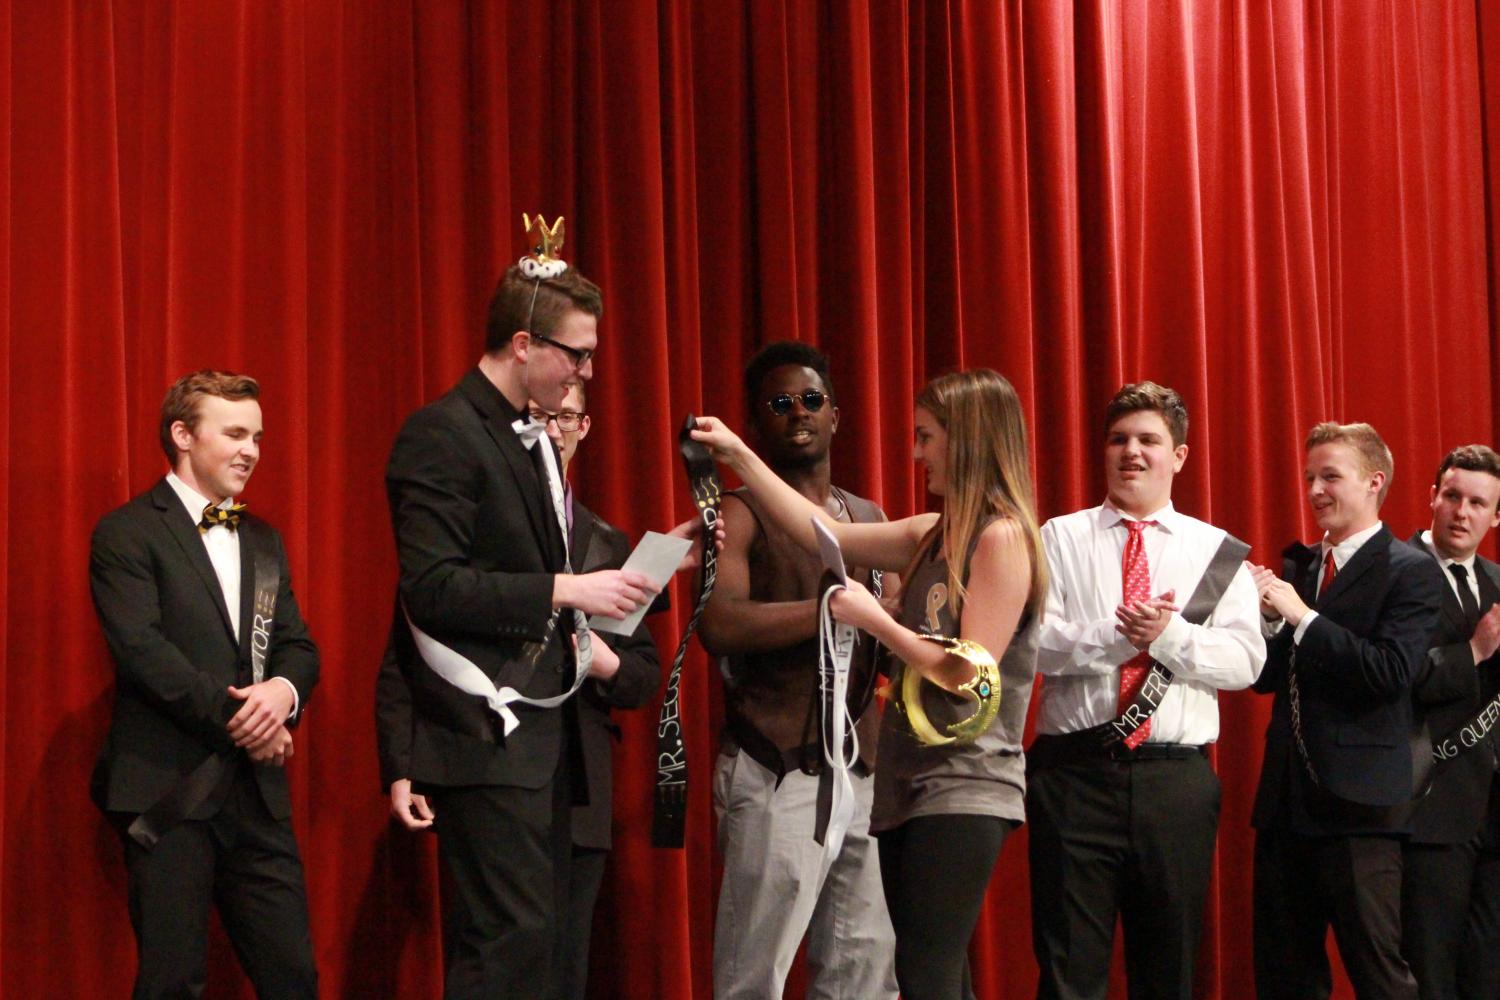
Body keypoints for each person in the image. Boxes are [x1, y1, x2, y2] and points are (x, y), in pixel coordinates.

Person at [692, 367, 1045, 1000]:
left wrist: (876, 621)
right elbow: (818, 531)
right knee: (929, 974)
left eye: (927, 437)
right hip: (909, 781)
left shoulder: (1001, 538)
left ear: (965, 439)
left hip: (965, 784)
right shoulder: (928, 533)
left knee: (925, 973)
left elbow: (971, 677)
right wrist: (739, 455)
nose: (916, 453)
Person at [384, 233, 661, 997]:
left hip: (542, 744)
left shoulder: (528, 439)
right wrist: (570, 591)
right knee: (502, 949)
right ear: (521, 344)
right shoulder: (441, 433)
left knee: (539, 952)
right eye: (575, 354)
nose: (585, 373)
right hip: (484, 732)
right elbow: (433, 586)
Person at [1028, 381, 1266, 1000]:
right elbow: (1031, 644)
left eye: (1148, 441)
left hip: (1175, 783)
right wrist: (1116, 637)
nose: (1132, 452)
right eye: (1118, 440)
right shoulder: (1057, 537)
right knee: (1067, 971)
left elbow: (1245, 662)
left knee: (1169, 969)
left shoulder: (1217, 552)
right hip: (1072, 777)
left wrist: (1170, 638)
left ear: (1179, 456)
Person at [89, 370, 320, 998]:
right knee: (172, 982)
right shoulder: (127, 532)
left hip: (257, 797)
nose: (252, 450)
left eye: (258, 436)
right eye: (237, 433)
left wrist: (282, 697)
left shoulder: (264, 538)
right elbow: (144, 656)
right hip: (169, 790)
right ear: (183, 435)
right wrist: (249, 724)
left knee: (294, 979)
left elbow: (296, 646)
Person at [697, 341, 897, 1000]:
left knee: (865, 970)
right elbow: (721, 624)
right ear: (755, 427)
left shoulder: (868, 518)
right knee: (757, 974)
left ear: (836, 415)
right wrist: (834, 611)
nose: (799, 414)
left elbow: (893, 627)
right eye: (779, 405)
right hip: (774, 764)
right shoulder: (737, 512)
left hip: (863, 768)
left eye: (811, 401)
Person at [1249, 421, 1446, 1000]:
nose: (1314, 489)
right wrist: (1267, 620)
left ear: (1373, 482)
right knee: (1284, 975)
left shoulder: (1409, 570)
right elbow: (1265, 679)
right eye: (1310, 477)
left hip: (1361, 811)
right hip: (1286, 804)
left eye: (1330, 476)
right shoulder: (1302, 568)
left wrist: (1302, 616)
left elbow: (1389, 673)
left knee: (1379, 973)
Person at [1402, 445, 1500, 999]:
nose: (1462, 512)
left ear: (1495, 516)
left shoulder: (1498, 580)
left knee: (1488, 971)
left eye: (1478, 503)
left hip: (1495, 811)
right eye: (1453, 497)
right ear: (1432, 497)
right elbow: (1396, 679)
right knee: (1431, 971)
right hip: (1431, 805)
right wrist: (1475, 651)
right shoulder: (1396, 572)